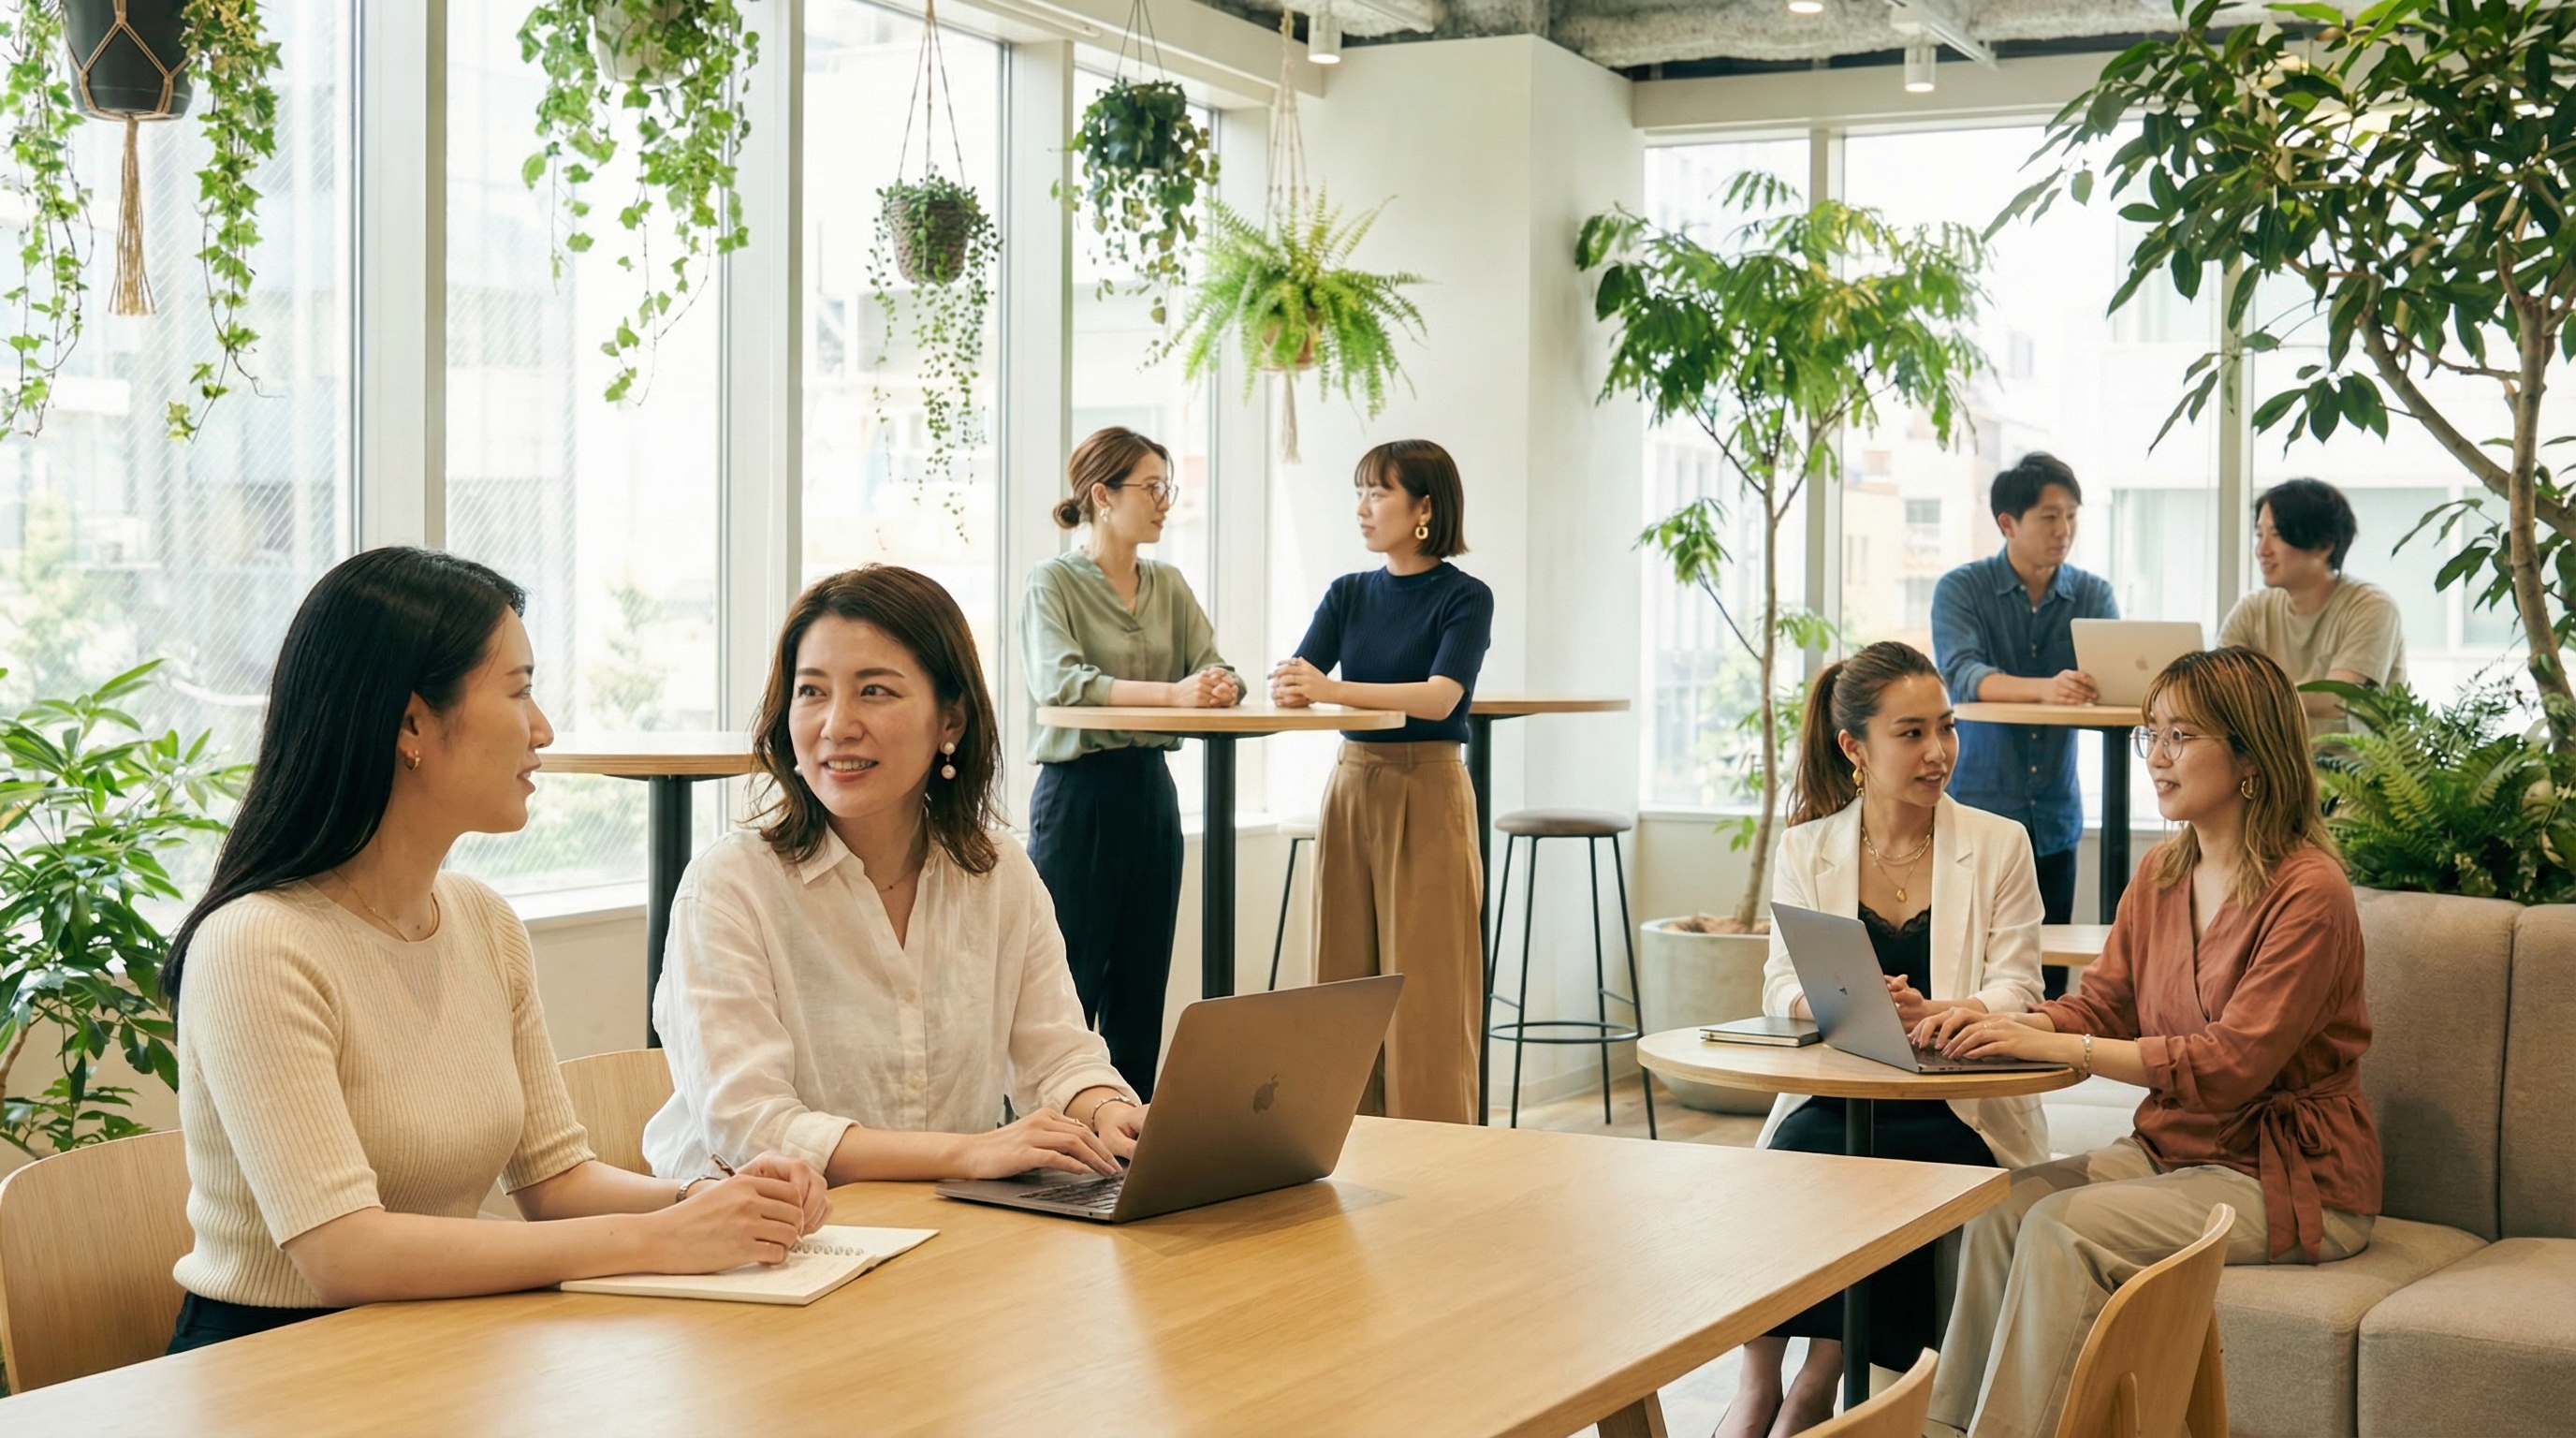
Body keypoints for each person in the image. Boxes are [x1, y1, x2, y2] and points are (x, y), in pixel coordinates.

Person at [161, 548, 828, 1355]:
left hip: (439, 1341)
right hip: (272, 1362)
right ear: (411, 723)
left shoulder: (482, 920)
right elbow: (343, 1254)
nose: (542, 729)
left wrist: (710, 1201)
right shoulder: (255, 945)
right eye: (518, 690)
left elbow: (556, 1181)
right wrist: (661, 1240)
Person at [1915, 647, 2380, 1438]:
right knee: (1996, 1211)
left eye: (2180, 736)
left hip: (2287, 1178)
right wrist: (2006, 1025)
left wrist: (2064, 1051)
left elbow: (2231, 1066)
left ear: (2250, 757)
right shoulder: (2162, 873)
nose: (2156, 757)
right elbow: (2102, 1004)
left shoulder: (2311, 893)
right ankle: (1945, 1431)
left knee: (2061, 1227)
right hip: (2173, 1150)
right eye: (2150, 734)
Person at [644, 565, 1146, 1185]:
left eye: (874, 691)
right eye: (812, 691)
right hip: (769, 1230)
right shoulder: (729, 885)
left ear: (951, 722)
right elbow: (752, 1127)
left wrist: (1110, 1112)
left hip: (946, 1221)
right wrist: (965, 1154)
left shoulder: (998, 871)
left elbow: (1059, 1056)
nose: (836, 726)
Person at [1720, 641, 2050, 1438]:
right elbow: (1778, 985)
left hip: (1956, 1106)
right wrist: (1848, 1001)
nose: (1938, 752)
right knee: (1793, 1158)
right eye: (1912, 733)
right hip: (1843, 1091)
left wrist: (1938, 1009)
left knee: (1899, 1181)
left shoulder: (1999, 843)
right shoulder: (1808, 849)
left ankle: (1819, 1385)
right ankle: (1758, 1385)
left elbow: (2020, 988)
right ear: (1854, 748)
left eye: (1946, 727)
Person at [1269, 440, 1492, 1125]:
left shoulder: (1464, 597)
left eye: (1378, 492)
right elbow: (1299, 679)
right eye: (1359, 493)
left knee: (1428, 990)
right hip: (1351, 785)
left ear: (1424, 508)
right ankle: (1340, 1141)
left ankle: (1437, 1155)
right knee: (1340, 981)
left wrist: (1331, 688)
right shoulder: (1348, 593)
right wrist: (1292, 685)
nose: (1363, 508)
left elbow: (1441, 697)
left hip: (1429, 788)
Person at [1022, 427, 1240, 1099]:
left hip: (1150, 792)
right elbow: (1060, 682)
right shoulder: (1052, 582)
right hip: (1078, 795)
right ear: (1102, 495)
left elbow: (1216, 665)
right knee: (1066, 984)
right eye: (1152, 488)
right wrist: (1174, 694)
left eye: (1166, 488)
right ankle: (1047, 1138)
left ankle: (1133, 1138)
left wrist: (1222, 686)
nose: (1165, 502)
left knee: (1143, 985)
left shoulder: (1168, 584)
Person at [1930, 452, 2119, 997]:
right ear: (2007, 523)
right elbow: (1962, 675)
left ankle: (2042, 1051)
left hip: (2054, 811)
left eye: (2072, 516)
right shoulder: (1961, 589)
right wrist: (2046, 687)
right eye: (2050, 517)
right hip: (1979, 805)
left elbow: (2113, 678)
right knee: (1966, 963)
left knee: (2046, 971)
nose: (2064, 531)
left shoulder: (2093, 594)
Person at [2219, 477, 2407, 735]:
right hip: (2274, 758)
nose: (2262, 550)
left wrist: (2248, 699)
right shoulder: (2252, 609)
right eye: (2259, 535)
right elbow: (2216, 687)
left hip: (2351, 760)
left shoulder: (2371, 606)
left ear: (2324, 545)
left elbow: (2335, 700)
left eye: (2277, 535)